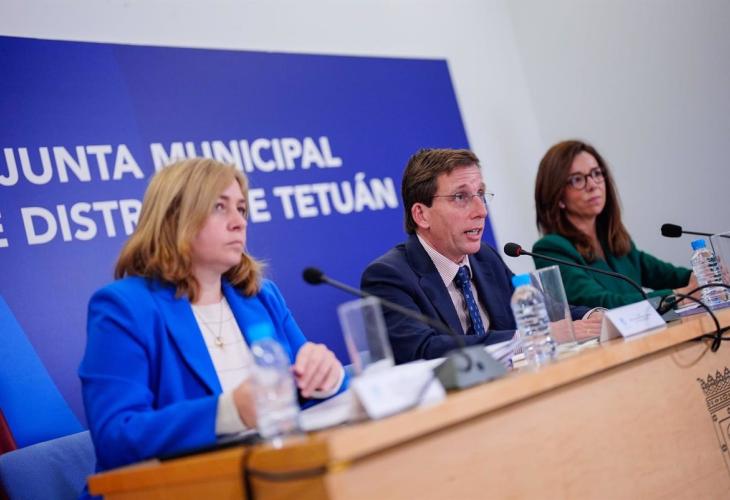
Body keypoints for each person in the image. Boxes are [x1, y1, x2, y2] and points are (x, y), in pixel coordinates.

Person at [79, 158, 346, 472]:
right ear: (174, 218)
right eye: (220, 207)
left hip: (274, 472)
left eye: (241, 209)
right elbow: (115, 437)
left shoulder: (261, 296)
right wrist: (230, 412)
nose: (239, 222)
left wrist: (327, 377)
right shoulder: (125, 307)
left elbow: (304, 391)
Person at [361, 148, 601, 364]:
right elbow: (423, 350)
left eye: (481, 194)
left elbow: (543, 309)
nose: (482, 211)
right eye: (460, 197)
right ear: (421, 215)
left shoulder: (484, 257)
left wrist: (594, 317)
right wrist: (530, 337)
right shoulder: (388, 277)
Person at [533, 140, 695, 309]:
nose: (592, 185)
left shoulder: (613, 240)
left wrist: (699, 277)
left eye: (596, 173)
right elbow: (604, 304)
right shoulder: (550, 250)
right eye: (577, 179)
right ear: (558, 196)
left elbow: (669, 275)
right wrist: (678, 296)